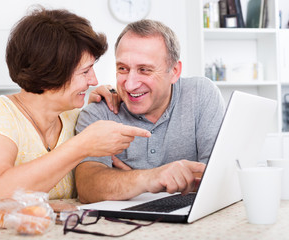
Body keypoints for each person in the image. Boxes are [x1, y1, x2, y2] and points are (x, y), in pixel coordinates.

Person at [0, 8, 150, 213]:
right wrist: (83, 145)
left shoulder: (74, 117)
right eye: (85, 71)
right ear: (50, 74)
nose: (94, 80)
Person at [75, 19, 226, 203]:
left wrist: (123, 181)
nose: (130, 85)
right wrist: (150, 178)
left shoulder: (201, 94)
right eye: (122, 68)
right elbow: (87, 187)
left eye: (144, 70)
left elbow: (218, 175)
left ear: (175, 71)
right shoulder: (99, 112)